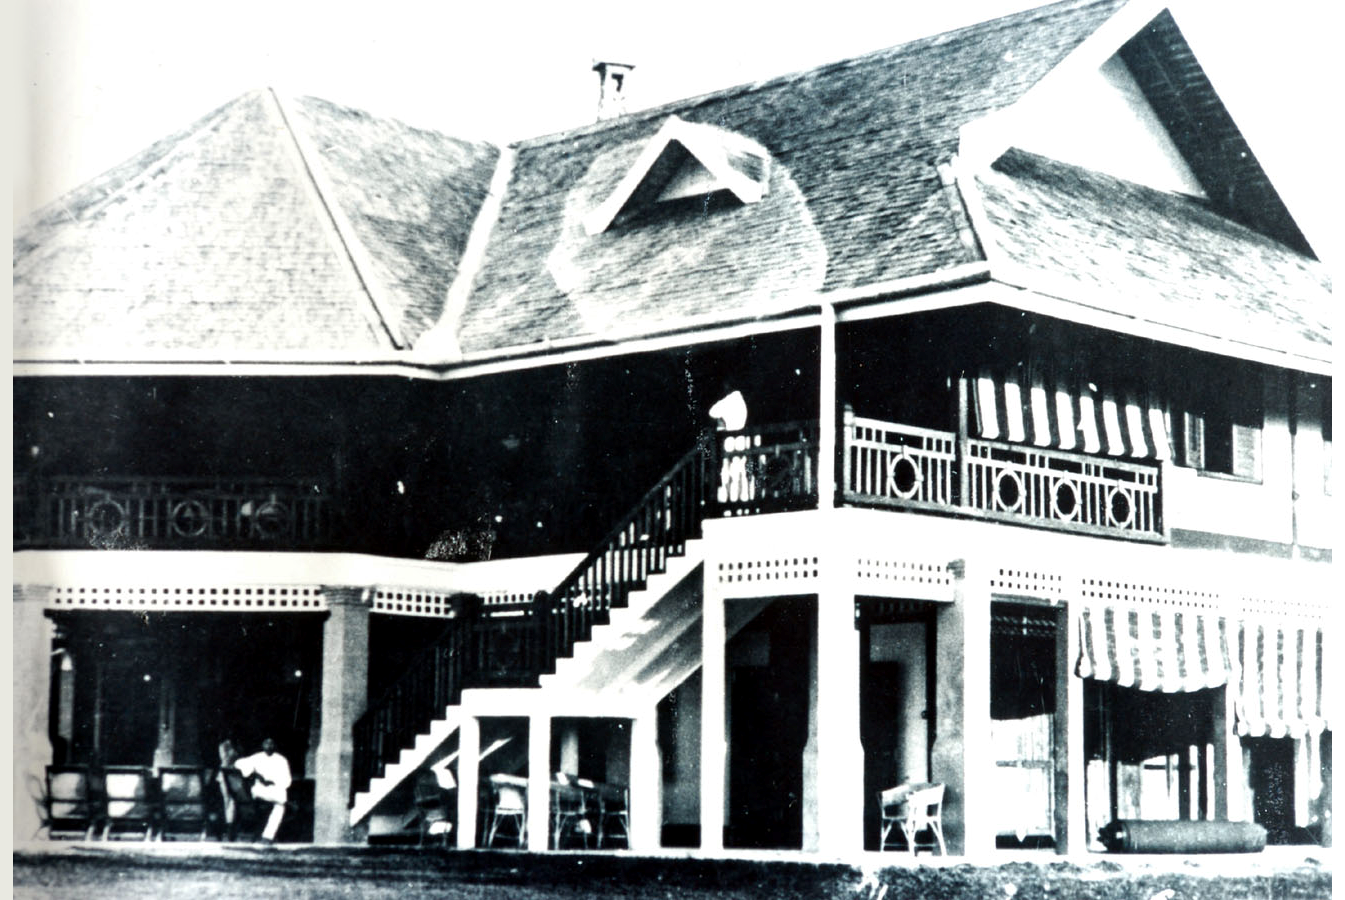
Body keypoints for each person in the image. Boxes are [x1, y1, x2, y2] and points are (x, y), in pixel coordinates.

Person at [235, 737, 291, 843]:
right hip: (259, 789)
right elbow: (238, 763)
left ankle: (267, 836)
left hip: (274, 790)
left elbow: (287, 780)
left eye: (271, 744)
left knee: (280, 807)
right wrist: (256, 774)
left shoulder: (281, 760)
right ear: (262, 745)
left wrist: (275, 782)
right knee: (282, 801)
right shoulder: (257, 757)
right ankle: (287, 802)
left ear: (275, 746)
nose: (269, 746)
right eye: (266, 743)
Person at [217, 739, 240, 840]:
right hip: (226, 775)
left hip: (236, 776)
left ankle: (231, 827)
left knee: (232, 802)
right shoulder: (224, 746)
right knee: (228, 801)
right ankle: (227, 828)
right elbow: (225, 760)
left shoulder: (238, 745)